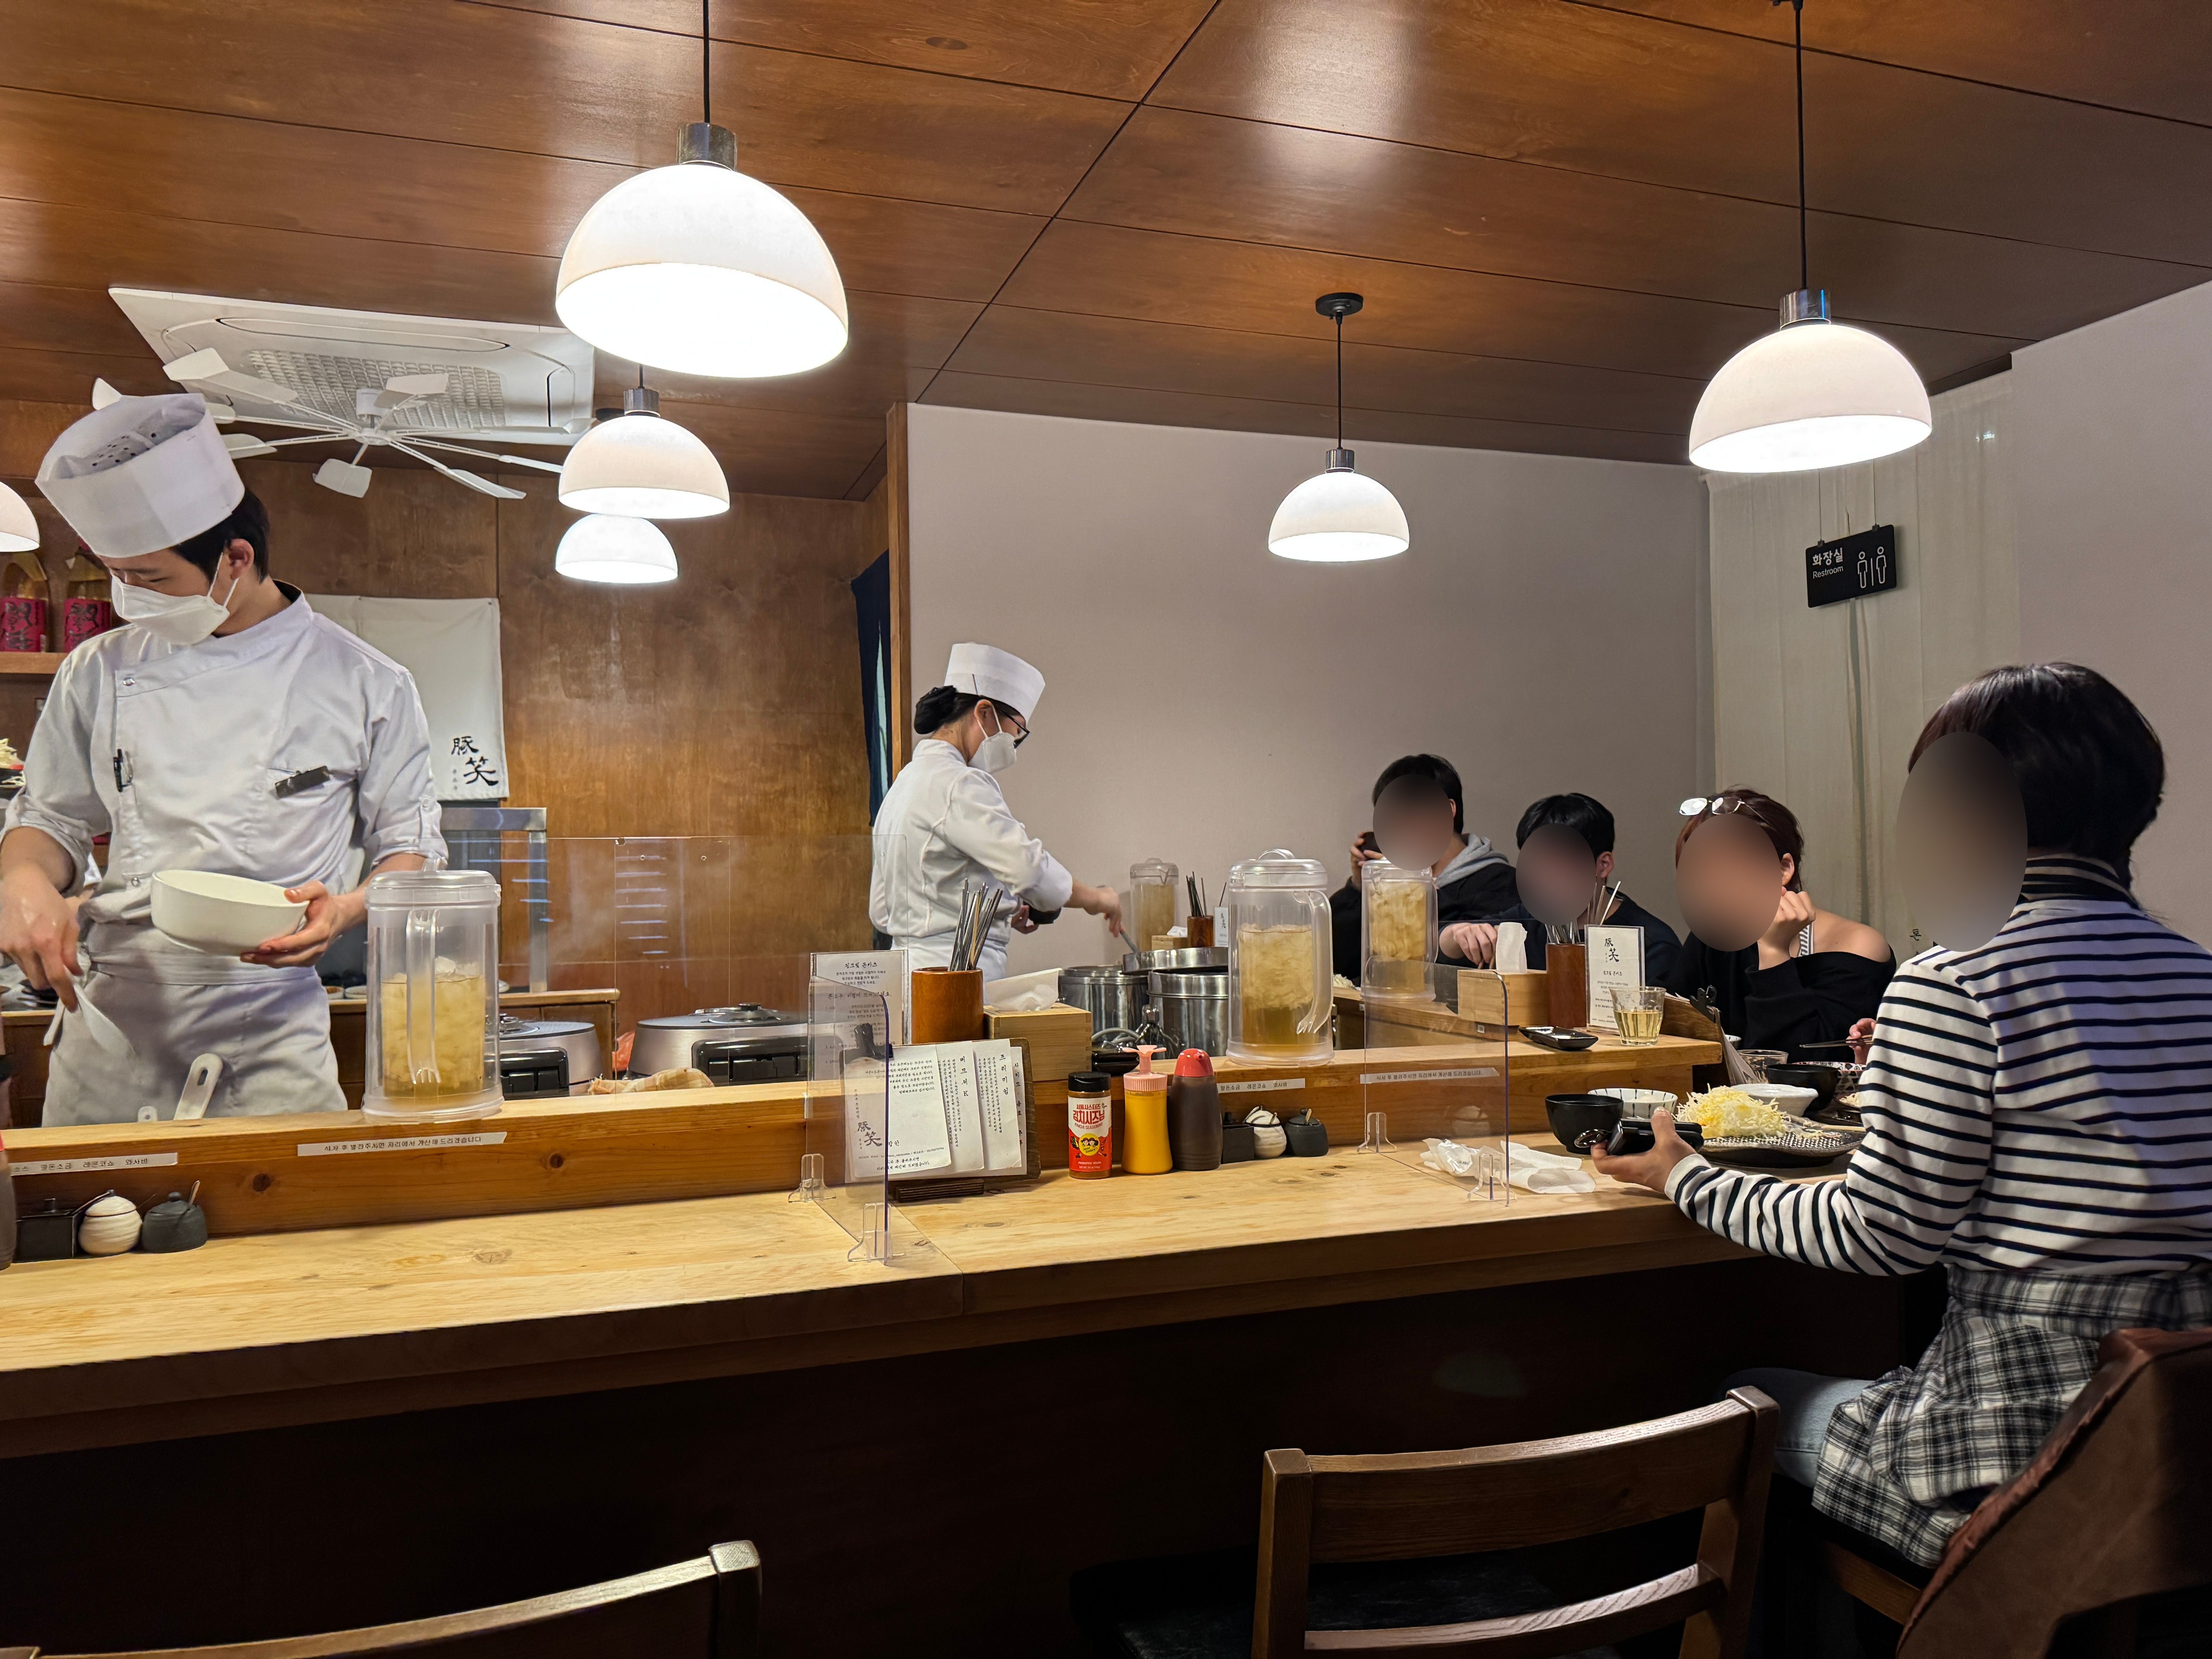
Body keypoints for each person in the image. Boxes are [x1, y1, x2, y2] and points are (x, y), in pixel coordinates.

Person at [1595, 663, 2212, 1572]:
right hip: (2184, 1454)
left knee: (1741, 1394)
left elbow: (1879, 1236)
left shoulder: (1957, 975)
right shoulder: (2195, 973)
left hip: (2026, 1453)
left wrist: (1684, 1176)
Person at [0, 392, 444, 1125]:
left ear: (236, 559)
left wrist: (345, 909)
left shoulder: (367, 681)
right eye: (117, 575)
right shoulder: (97, 669)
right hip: (113, 1020)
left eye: (150, 579)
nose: (128, 598)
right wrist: (22, 879)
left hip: (267, 1026)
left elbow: (411, 848)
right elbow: (48, 818)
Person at [870, 644, 1123, 983]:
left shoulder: (904, 785)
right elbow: (1029, 869)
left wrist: (996, 913)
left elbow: (884, 906)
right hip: (955, 975)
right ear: (985, 713)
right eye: (1015, 733)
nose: (1012, 746)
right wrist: (1098, 898)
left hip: (905, 974)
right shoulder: (959, 783)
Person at [1662, 788, 1891, 1058]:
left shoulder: (1858, 946)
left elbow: (1800, 1069)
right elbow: (1671, 1029)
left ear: (1784, 869)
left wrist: (1774, 953)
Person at [1437, 793, 1682, 986]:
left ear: (1603, 865)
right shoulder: (1527, 922)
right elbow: (1443, 949)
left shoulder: (1651, 943)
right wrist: (1458, 935)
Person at [1331, 754, 1517, 980]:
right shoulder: (1392, 884)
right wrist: (1360, 888)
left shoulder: (1501, 882)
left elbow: (1465, 966)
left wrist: (1418, 889)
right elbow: (1339, 966)